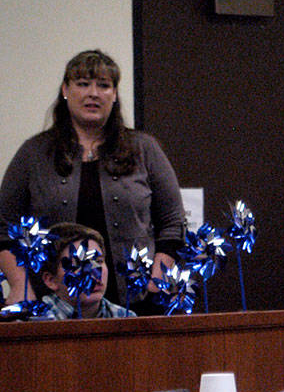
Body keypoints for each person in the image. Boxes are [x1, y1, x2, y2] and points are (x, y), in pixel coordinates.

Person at [0, 49, 184, 307]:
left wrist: (157, 281)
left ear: (115, 94)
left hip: (136, 302)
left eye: (104, 85)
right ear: (66, 90)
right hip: (52, 305)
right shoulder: (34, 153)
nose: (93, 93)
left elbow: (173, 224)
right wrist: (21, 285)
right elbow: (3, 227)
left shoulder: (145, 149)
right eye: (83, 84)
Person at [39, 222, 135, 319]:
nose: (94, 272)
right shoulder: (35, 322)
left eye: (99, 261)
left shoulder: (126, 317)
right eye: (78, 264)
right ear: (50, 280)